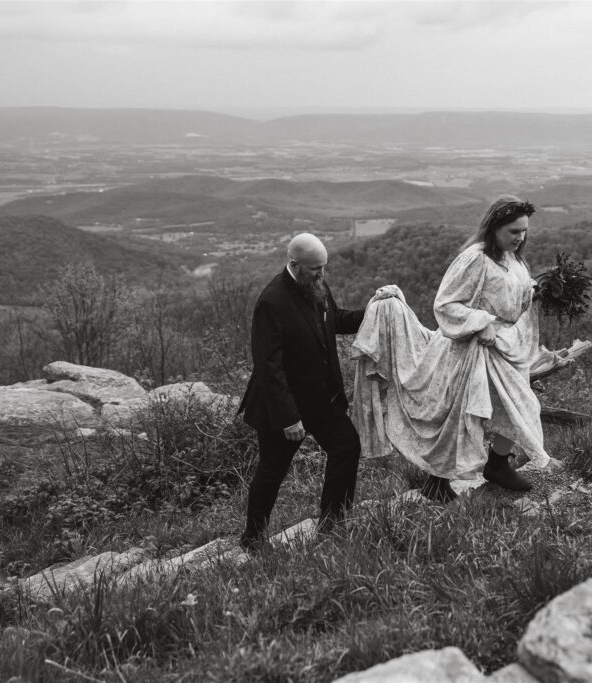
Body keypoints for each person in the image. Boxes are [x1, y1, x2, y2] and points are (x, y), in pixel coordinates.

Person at [352, 196, 566, 503]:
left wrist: (539, 291)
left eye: (523, 231)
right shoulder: (475, 259)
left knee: (521, 406)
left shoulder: (514, 259)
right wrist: (481, 322)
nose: (520, 238)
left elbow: (513, 294)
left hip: (505, 348)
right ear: (494, 228)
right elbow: (445, 303)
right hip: (469, 349)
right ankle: (438, 482)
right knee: (461, 417)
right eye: (513, 231)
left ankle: (497, 464)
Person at [238, 233, 389, 549]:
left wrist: (374, 310)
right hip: (283, 406)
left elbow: (337, 320)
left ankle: (333, 525)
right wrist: (288, 418)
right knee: (271, 472)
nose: (322, 274)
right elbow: (268, 367)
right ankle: (252, 539)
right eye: (315, 269)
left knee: (346, 447)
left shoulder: (316, 286)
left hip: (321, 398)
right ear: (294, 264)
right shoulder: (272, 301)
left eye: (323, 267)